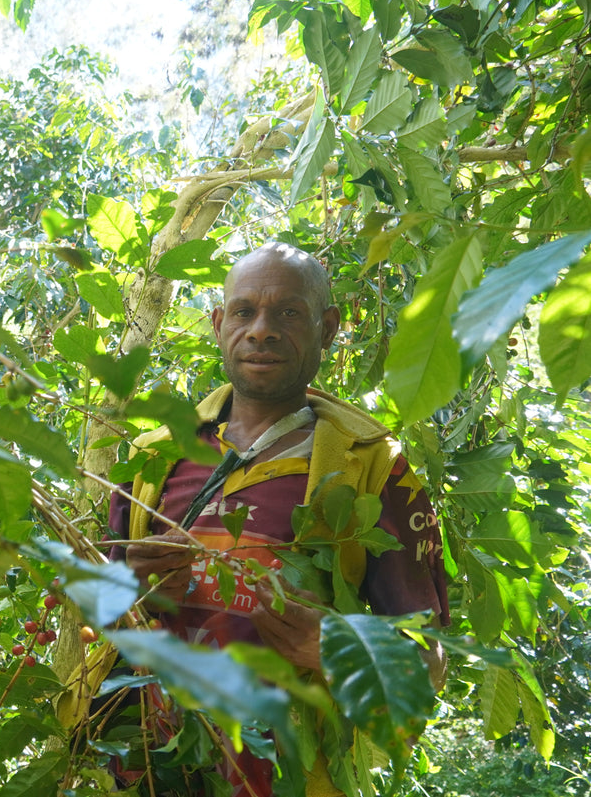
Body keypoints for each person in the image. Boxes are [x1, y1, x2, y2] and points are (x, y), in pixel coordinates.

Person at [108, 242, 449, 796]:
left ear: (328, 328)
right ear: (219, 325)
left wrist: (341, 653)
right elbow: (93, 616)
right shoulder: (154, 454)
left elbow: (427, 661)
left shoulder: (375, 470)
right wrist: (129, 586)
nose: (261, 330)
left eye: (288, 313)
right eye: (244, 311)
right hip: (142, 768)